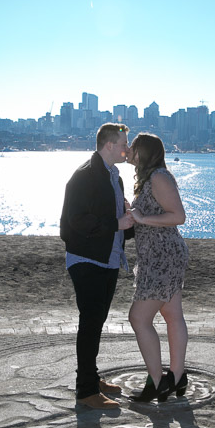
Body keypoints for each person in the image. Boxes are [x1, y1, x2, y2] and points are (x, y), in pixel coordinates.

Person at [60, 123, 135, 409]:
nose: (126, 148)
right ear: (108, 145)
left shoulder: (113, 176)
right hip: (87, 259)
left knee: (96, 322)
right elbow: (76, 221)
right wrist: (118, 223)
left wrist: (128, 222)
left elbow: (115, 220)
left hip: (108, 259)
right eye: (123, 143)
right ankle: (86, 391)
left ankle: (91, 378)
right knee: (90, 324)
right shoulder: (86, 176)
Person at [127, 133, 189, 402]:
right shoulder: (148, 179)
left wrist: (142, 217)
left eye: (133, 147)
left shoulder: (159, 178)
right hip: (159, 255)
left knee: (139, 318)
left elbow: (179, 216)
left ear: (145, 152)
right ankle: (176, 376)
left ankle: (157, 382)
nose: (128, 150)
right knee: (172, 315)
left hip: (163, 257)